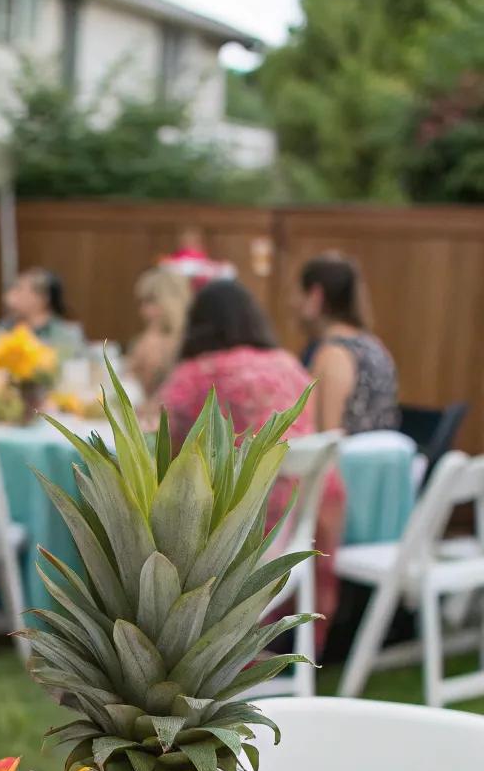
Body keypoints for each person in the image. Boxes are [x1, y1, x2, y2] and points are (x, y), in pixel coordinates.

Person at [156, 279, 345, 643]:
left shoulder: (197, 372)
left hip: (242, 535)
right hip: (306, 524)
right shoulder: (287, 363)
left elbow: (167, 445)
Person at [297, 254, 400, 433]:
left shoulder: (333, 354)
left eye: (298, 293)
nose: (292, 303)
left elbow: (326, 440)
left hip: (347, 460)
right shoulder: (377, 347)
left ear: (315, 296)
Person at [127, 267, 191, 394]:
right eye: (142, 303)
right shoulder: (148, 338)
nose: (144, 310)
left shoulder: (187, 341)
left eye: (151, 302)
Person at [0, 267, 84, 351]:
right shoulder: (1, 330)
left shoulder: (67, 336)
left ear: (42, 298)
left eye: (18, 289)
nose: (8, 297)